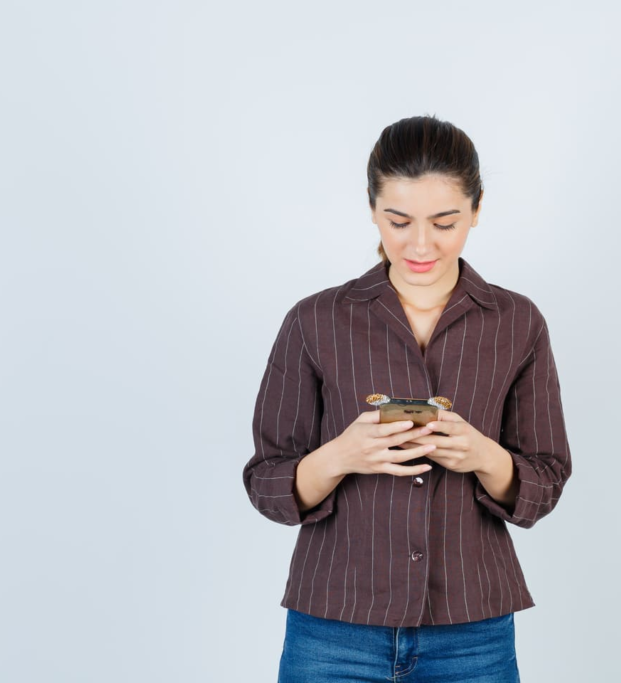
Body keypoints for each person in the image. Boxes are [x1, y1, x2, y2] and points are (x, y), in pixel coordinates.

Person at [242, 114, 573, 683]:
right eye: (399, 221)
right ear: (373, 209)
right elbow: (266, 482)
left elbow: (545, 481)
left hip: (473, 630)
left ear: (476, 209)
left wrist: (483, 456)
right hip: (333, 626)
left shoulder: (517, 322)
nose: (421, 244)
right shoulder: (315, 320)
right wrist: (342, 456)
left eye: (445, 222)